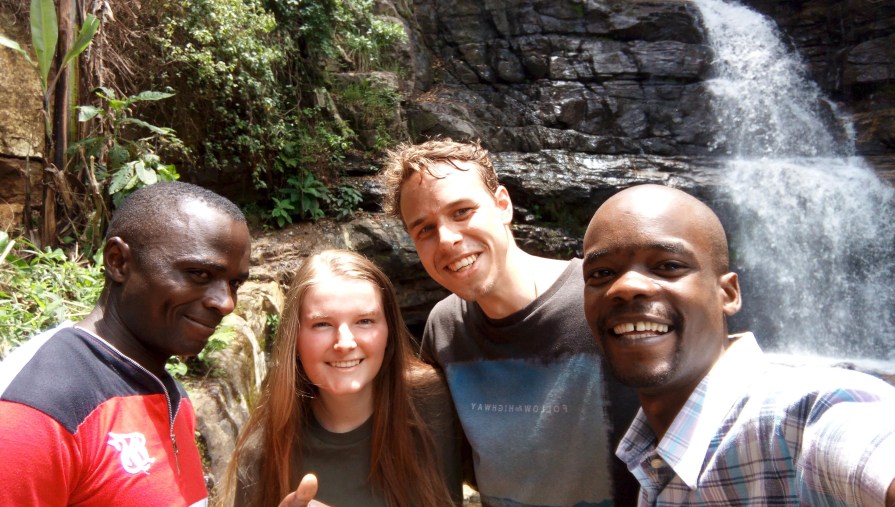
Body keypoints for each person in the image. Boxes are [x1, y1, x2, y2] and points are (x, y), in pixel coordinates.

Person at [581, 183, 895, 506]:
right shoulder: (647, 452)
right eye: (602, 272)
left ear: (729, 294)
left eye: (668, 265)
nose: (626, 286)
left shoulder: (803, 416)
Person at [381, 138, 640, 506]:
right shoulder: (445, 328)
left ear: (503, 204)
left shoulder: (600, 299)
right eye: (424, 229)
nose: (447, 240)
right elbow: (438, 458)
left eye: (461, 211)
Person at [0, 181, 251, 505]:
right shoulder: (39, 409)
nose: (226, 303)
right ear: (118, 262)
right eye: (199, 274)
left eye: (234, 283)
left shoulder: (173, 398)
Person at [221, 249, 463, 507]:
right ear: (295, 339)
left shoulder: (432, 404)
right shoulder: (262, 454)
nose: (345, 343)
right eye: (322, 324)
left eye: (365, 321)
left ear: (388, 332)